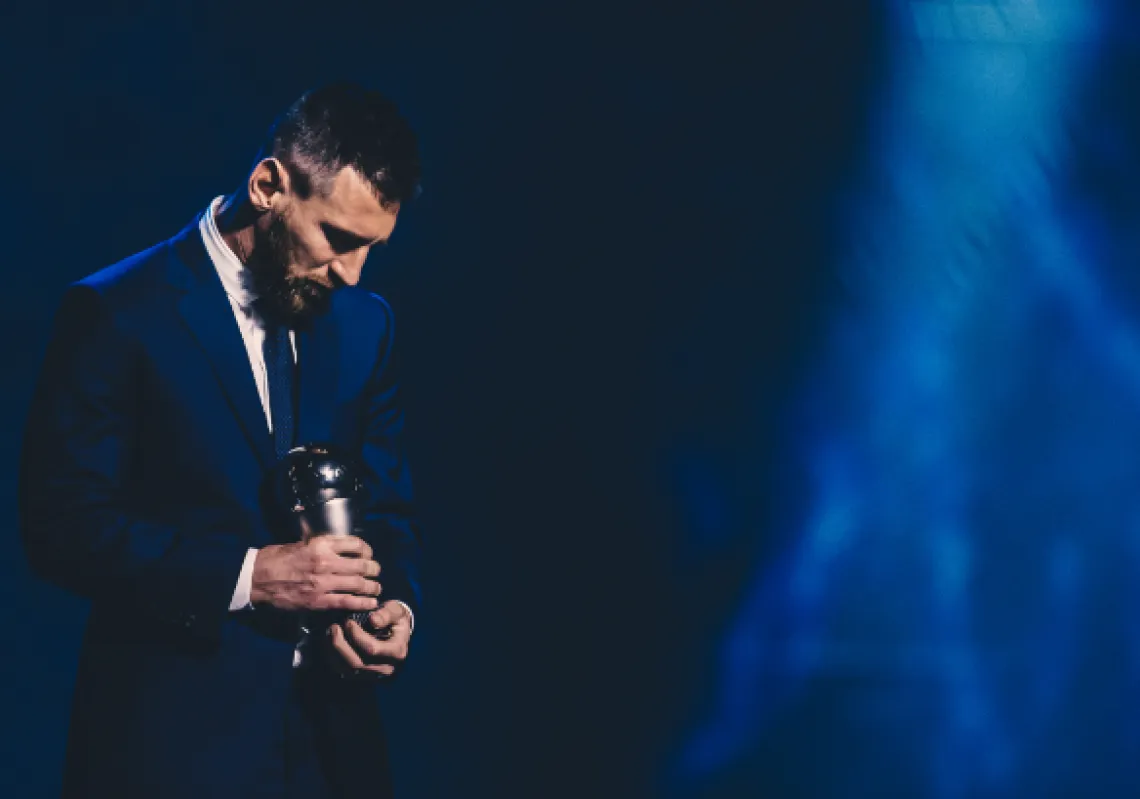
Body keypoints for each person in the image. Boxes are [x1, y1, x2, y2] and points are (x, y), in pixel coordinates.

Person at [18, 83, 423, 799]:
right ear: (269, 185)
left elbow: (386, 513)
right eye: (338, 237)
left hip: (337, 750)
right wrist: (251, 575)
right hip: (171, 753)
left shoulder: (367, 324)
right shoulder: (116, 312)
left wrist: (393, 607)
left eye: (373, 248)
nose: (353, 273)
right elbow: (62, 527)